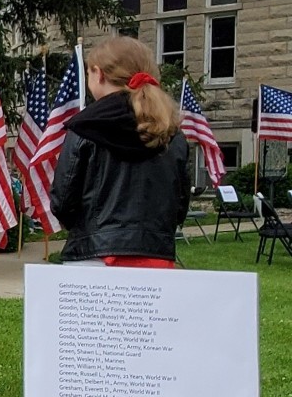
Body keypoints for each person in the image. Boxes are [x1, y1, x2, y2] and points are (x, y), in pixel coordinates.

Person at [50, 36, 190, 267]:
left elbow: (63, 201)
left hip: (93, 255)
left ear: (98, 73)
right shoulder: (171, 133)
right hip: (155, 255)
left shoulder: (85, 127)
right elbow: (180, 204)